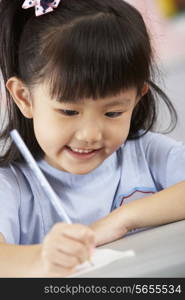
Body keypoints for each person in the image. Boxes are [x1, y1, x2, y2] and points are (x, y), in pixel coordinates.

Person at [0, 0, 184, 278]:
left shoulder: (147, 155)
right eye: (69, 111)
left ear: (136, 99)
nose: (90, 134)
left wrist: (123, 219)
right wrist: (41, 259)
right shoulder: (13, 188)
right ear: (25, 98)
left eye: (113, 112)